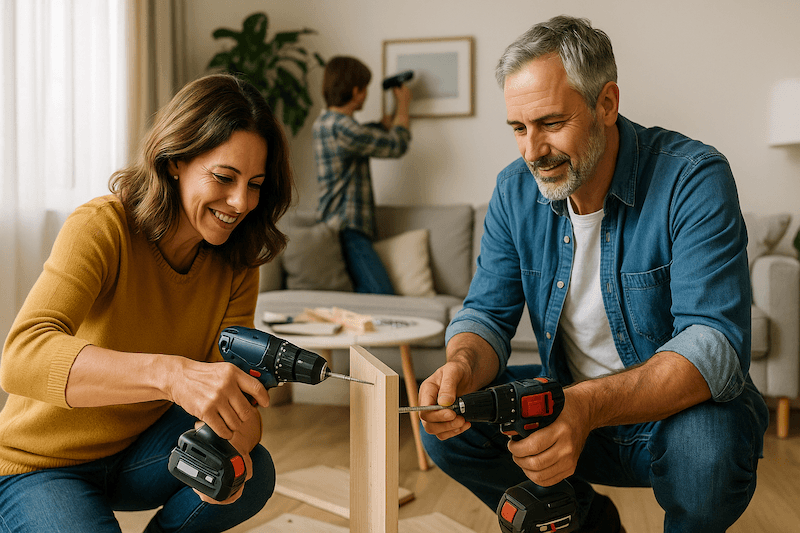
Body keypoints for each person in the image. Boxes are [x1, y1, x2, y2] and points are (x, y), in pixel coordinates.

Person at [418, 15, 768, 533]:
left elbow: (715, 345)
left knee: (705, 451)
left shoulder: (692, 177)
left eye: (552, 123)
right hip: (570, 412)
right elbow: (486, 314)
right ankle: (586, 522)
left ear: (606, 103)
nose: (533, 151)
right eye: (519, 128)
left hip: (669, 421)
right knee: (450, 428)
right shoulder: (514, 192)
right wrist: (462, 367)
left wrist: (584, 406)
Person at [0, 73, 294, 532]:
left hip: (138, 456)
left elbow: (233, 397)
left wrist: (231, 449)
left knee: (254, 473)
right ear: (175, 159)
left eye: (254, 184)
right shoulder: (103, 227)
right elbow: (21, 358)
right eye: (224, 177)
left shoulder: (237, 261)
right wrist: (170, 375)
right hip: (41, 464)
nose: (241, 202)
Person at [313, 56, 412, 294]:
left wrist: (383, 123)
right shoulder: (343, 128)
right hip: (348, 227)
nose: (366, 94)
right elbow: (396, 145)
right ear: (356, 91)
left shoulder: (327, 122)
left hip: (338, 225)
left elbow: (363, 136)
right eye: (365, 88)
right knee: (382, 295)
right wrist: (404, 107)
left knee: (364, 294)